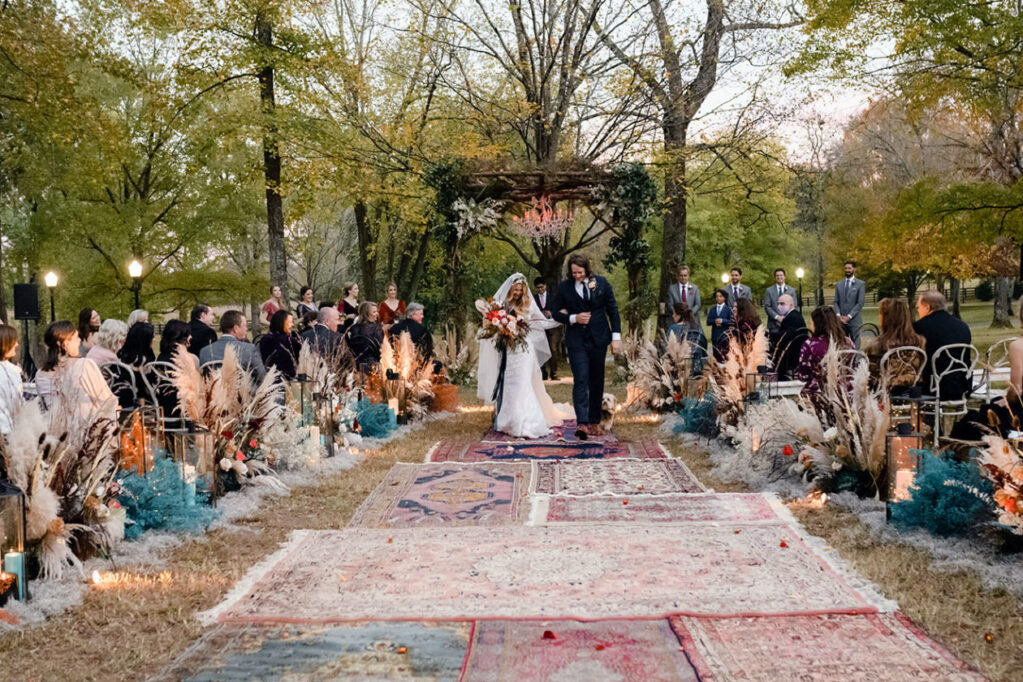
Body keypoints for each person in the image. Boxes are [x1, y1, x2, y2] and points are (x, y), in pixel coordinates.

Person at [477, 274, 570, 438]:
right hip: (507, 349)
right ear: (511, 289)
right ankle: (508, 419)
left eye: (521, 290)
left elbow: (540, 322)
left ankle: (526, 420)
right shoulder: (501, 304)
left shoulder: (529, 305)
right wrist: (501, 328)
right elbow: (492, 323)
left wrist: (561, 319)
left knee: (522, 382)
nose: (518, 293)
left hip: (524, 349)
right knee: (509, 383)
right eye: (516, 290)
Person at [551, 254, 622, 437]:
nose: (577, 276)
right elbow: (555, 312)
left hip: (599, 337)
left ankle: (594, 421)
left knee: (597, 380)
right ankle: (582, 422)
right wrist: (573, 318)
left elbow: (612, 310)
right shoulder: (565, 288)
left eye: (580, 272)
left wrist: (616, 337)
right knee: (581, 378)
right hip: (576, 340)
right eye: (574, 273)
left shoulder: (602, 283)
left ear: (587, 270)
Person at [34, 321, 117, 421]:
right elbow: (107, 401)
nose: (79, 341)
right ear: (66, 343)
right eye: (76, 337)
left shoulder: (40, 374)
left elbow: (44, 410)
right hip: (86, 430)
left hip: (55, 433)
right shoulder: (84, 365)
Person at [913, 290, 972, 399]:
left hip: (933, 387)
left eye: (919, 307)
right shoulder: (963, 326)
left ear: (927, 307)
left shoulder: (919, 327)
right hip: (962, 384)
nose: (918, 311)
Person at [795, 307, 854, 402]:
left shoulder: (810, 345)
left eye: (811, 323)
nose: (811, 326)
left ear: (817, 324)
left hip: (818, 396)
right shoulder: (848, 343)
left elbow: (803, 376)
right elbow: (852, 370)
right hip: (845, 396)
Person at [865, 298, 926, 390]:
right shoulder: (919, 342)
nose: (879, 316)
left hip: (884, 391)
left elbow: (871, 376)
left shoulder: (876, 345)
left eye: (881, 313)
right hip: (911, 390)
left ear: (887, 319)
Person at [200, 310, 267, 382]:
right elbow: (262, 378)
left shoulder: (205, 351)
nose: (246, 329)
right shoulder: (249, 349)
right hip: (241, 392)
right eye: (245, 325)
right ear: (236, 328)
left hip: (213, 392)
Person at [154, 319, 197, 419]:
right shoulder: (189, 359)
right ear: (182, 338)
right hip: (184, 406)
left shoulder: (160, 357)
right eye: (189, 334)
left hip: (162, 405)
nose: (191, 337)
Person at [772, 294, 808, 381]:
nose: (779, 306)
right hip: (796, 348)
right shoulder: (795, 315)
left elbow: (785, 336)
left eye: (782, 304)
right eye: (778, 304)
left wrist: (770, 335)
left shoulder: (792, 317)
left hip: (792, 352)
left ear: (791, 305)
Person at [259, 310, 302, 380]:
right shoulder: (291, 341)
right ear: (282, 323)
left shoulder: (264, 339)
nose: (292, 325)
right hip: (289, 380)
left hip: (269, 379)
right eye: (290, 322)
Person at [667, 302, 708, 374]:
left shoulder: (673, 328)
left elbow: (668, 350)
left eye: (674, 313)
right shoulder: (697, 327)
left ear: (679, 315)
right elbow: (704, 346)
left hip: (680, 370)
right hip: (697, 367)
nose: (673, 316)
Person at [833, 260, 866, 349]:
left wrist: (849, 316)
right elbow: (836, 302)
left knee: (856, 344)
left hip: (854, 321)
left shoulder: (860, 284)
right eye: (846, 268)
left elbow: (860, 303)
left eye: (849, 268)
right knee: (842, 344)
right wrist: (838, 315)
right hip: (841, 321)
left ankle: (856, 361)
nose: (847, 270)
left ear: (854, 269)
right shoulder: (839, 284)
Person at [346, 301, 385, 370]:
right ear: (366, 314)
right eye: (374, 312)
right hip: (374, 364)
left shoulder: (352, 328)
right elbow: (381, 348)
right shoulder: (376, 328)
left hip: (356, 364)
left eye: (376, 311)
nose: (377, 314)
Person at [533, 277, 558, 380]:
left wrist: (551, 313)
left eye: (542, 287)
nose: (540, 289)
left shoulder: (553, 296)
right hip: (539, 328)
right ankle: (543, 373)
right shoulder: (533, 299)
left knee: (553, 349)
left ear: (545, 286)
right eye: (538, 288)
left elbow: (558, 309)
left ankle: (554, 373)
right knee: (540, 350)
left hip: (552, 327)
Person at [0, 325, 23, 436]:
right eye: (14, 341)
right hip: (7, 431)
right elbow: (17, 404)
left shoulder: (11, 370)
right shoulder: (11, 371)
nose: (17, 344)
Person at [764, 269, 797, 339]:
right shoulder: (769, 290)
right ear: (775, 278)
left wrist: (785, 319)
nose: (779, 277)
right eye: (777, 276)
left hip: (788, 324)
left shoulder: (791, 290)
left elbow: (794, 306)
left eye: (781, 275)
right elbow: (767, 307)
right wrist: (777, 317)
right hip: (773, 324)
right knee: (774, 346)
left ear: (784, 276)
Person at [706, 288, 734, 362]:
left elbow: (732, 321)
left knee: (725, 356)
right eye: (717, 296)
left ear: (724, 298)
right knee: (716, 356)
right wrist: (715, 321)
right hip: (715, 336)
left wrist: (722, 321)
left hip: (725, 337)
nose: (718, 298)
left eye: (720, 296)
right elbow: (708, 322)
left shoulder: (728, 309)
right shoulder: (712, 309)